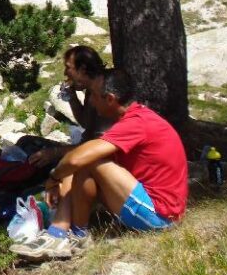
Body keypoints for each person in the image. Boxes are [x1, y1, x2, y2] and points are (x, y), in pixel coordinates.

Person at [10, 69, 189, 260]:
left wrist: (53, 179)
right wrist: (63, 180)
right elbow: (77, 159)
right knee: (83, 162)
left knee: (90, 160)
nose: (91, 101)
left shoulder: (136, 123)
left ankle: (76, 237)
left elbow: (78, 158)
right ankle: (59, 232)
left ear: (110, 99)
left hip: (160, 217)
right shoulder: (135, 118)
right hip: (155, 207)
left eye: (94, 95)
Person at [27, 45, 113, 169]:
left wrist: (56, 153)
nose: (65, 73)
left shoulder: (103, 93)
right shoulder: (91, 90)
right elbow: (86, 123)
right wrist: (72, 97)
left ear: (82, 69)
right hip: (86, 148)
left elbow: (98, 144)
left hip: (97, 159)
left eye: (68, 67)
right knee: (27, 142)